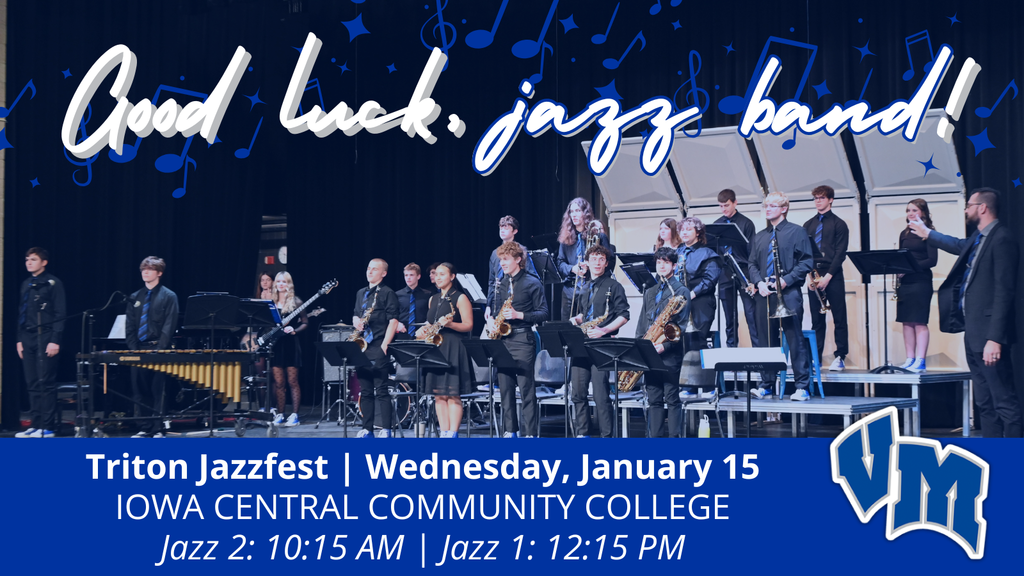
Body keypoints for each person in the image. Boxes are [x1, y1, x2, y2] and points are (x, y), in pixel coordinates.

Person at [909, 187, 1021, 437]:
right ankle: (993, 458)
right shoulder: (978, 239)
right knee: (984, 403)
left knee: (1004, 401)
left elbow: (1005, 292)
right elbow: (957, 244)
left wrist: (995, 338)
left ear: (982, 208)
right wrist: (928, 233)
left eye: (969, 205)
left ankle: (1014, 460)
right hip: (973, 333)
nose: (966, 209)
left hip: (990, 337)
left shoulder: (1002, 238)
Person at [747, 192, 814, 401]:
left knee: (795, 339)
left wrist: (786, 280)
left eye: (773, 206)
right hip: (764, 293)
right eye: (766, 206)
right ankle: (766, 384)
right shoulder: (760, 236)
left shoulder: (797, 232)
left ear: (784, 209)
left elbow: (806, 262)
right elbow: (752, 264)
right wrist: (759, 283)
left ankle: (802, 386)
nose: (768, 209)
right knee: (766, 341)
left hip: (788, 292)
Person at [489, 241, 549, 438]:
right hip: (502, 340)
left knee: (526, 390)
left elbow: (543, 313)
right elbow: (498, 311)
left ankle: (530, 435)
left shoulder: (532, 282)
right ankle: (510, 432)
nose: (502, 264)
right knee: (505, 390)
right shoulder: (501, 283)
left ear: (517, 259)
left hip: (523, 339)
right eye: (500, 260)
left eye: (505, 260)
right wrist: (492, 321)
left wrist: (518, 315)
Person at [569, 244, 629, 437]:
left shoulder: (614, 286)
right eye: (593, 258)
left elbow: (624, 315)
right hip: (582, 343)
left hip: (602, 344)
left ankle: (606, 438)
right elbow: (585, 314)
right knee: (577, 393)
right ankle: (582, 435)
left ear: (606, 263)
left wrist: (603, 330)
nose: (597, 262)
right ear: (587, 262)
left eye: (601, 259)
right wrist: (578, 319)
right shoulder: (585, 287)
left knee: (601, 395)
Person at [634, 248, 687, 437]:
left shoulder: (681, 291)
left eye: (665, 262)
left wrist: (663, 345)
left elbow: (680, 327)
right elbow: (642, 323)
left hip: (669, 353)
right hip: (649, 351)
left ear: (674, 265)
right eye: (658, 262)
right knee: (654, 399)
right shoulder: (650, 291)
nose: (661, 266)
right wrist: (640, 346)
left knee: (672, 399)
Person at [14, 247, 67, 438]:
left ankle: (47, 426)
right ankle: (35, 423)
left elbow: (60, 313)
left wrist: (55, 340)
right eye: (27, 259)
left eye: (33, 259)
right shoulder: (26, 284)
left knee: (46, 382)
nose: (29, 262)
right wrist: (19, 340)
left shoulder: (52, 283)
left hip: (45, 335)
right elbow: (21, 313)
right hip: (27, 337)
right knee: (32, 382)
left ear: (43, 262)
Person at [124, 256, 179, 437]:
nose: (145, 272)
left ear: (159, 273)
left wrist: (160, 349)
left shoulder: (169, 296)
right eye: (143, 269)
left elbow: (169, 326)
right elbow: (130, 326)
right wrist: (133, 349)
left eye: (149, 269)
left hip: (158, 348)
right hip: (138, 348)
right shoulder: (134, 297)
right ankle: (144, 426)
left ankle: (158, 428)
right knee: (139, 390)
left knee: (158, 390)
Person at [421, 263, 474, 438]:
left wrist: (450, 324)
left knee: (452, 394)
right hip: (436, 348)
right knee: (438, 395)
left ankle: (453, 433)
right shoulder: (433, 299)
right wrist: (424, 330)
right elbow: (431, 322)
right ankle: (444, 432)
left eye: (442, 274)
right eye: (436, 274)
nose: (438, 277)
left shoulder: (460, 298)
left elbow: (468, 325)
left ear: (452, 277)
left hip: (453, 347)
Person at [802, 185, 850, 371]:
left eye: (821, 198)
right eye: (815, 198)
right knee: (817, 320)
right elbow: (805, 253)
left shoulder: (839, 224)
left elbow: (840, 253)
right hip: (814, 275)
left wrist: (828, 276)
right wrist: (809, 277)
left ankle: (840, 356)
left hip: (833, 274)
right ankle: (816, 357)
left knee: (839, 317)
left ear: (830, 200)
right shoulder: (808, 225)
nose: (818, 201)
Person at [353, 258, 400, 438]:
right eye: (368, 268)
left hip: (380, 344)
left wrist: (385, 346)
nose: (370, 272)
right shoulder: (361, 293)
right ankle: (368, 429)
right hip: (362, 346)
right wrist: (356, 321)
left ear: (383, 273)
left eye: (374, 269)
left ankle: (386, 429)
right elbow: (356, 315)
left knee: (381, 390)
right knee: (365, 391)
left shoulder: (388, 293)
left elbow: (393, 321)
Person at [676, 217, 722, 397]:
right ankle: (689, 385)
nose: (684, 232)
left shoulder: (708, 253)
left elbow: (710, 280)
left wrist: (692, 293)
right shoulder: (678, 252)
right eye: (682, 230)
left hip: (701, 301)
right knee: (684, 343)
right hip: (682, 302)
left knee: (698, 341)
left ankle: (709, 385)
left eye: (688, 229)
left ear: (698, 232)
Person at [713, 189, 759, 348]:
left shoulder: (746, 223)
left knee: (751, 314)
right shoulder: (717, 224)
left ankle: (758, 352)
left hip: (744, 272)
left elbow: (752, 252)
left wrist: (753, 279)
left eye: (726, 205)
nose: (723, 209)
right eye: (720, 206)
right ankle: (731, 350)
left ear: (735, 203)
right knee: (729, 317)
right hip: (725, 273)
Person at [897, 199, 939, 372]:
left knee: (919, 321)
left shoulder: (929, 233)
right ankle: (910, 358)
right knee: (906, 321)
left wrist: (911, 267)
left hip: (921, 281)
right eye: (908, 210)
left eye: (914, 210)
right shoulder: (904, 233)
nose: (911, 213)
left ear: (923, 212)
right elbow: (901, 255)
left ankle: (920, 360)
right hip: (905, 282)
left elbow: (932, 260)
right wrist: (899, 268)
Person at [557, 197, 610, 320]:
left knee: (588, 323)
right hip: (570, 289)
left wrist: (592, 266)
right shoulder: (565, 238)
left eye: (577, 211)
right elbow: (559, 263)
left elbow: (610, 262)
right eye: (571, 212)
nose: (574, 215)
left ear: (585, 213)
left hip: (590, 286)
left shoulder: (599, 236)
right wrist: (573, 268)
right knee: (567, 327)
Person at [269, 272, 308, 427]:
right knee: (279, 383)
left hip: (291, 344)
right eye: (278, 281)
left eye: (284, 282)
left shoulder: (296, 302)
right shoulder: (271, 302)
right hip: (276, 345)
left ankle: (295, 415)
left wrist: (295, 330)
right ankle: (280, 413)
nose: (281, 284)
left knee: (292, 381)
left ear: (289, 284)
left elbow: (305, 322)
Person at [486, 215, 537, 316]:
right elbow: (492, 281)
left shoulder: (521, 251)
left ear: (515, 231)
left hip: (515, 297)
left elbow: (531, 275)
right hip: (498, 298)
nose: (502, 230)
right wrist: (488, 305)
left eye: (506, 228)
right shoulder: (494, 253)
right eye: (501, 227)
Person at [395, 263, 433, 340]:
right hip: (402, 334)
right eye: (406, 275)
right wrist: (397, 324)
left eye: (411, 275)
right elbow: (393, 314)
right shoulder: (397, 294)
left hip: (422, 334)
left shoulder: (427, 295)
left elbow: (431, 314)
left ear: (418, 276)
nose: (408, 278)